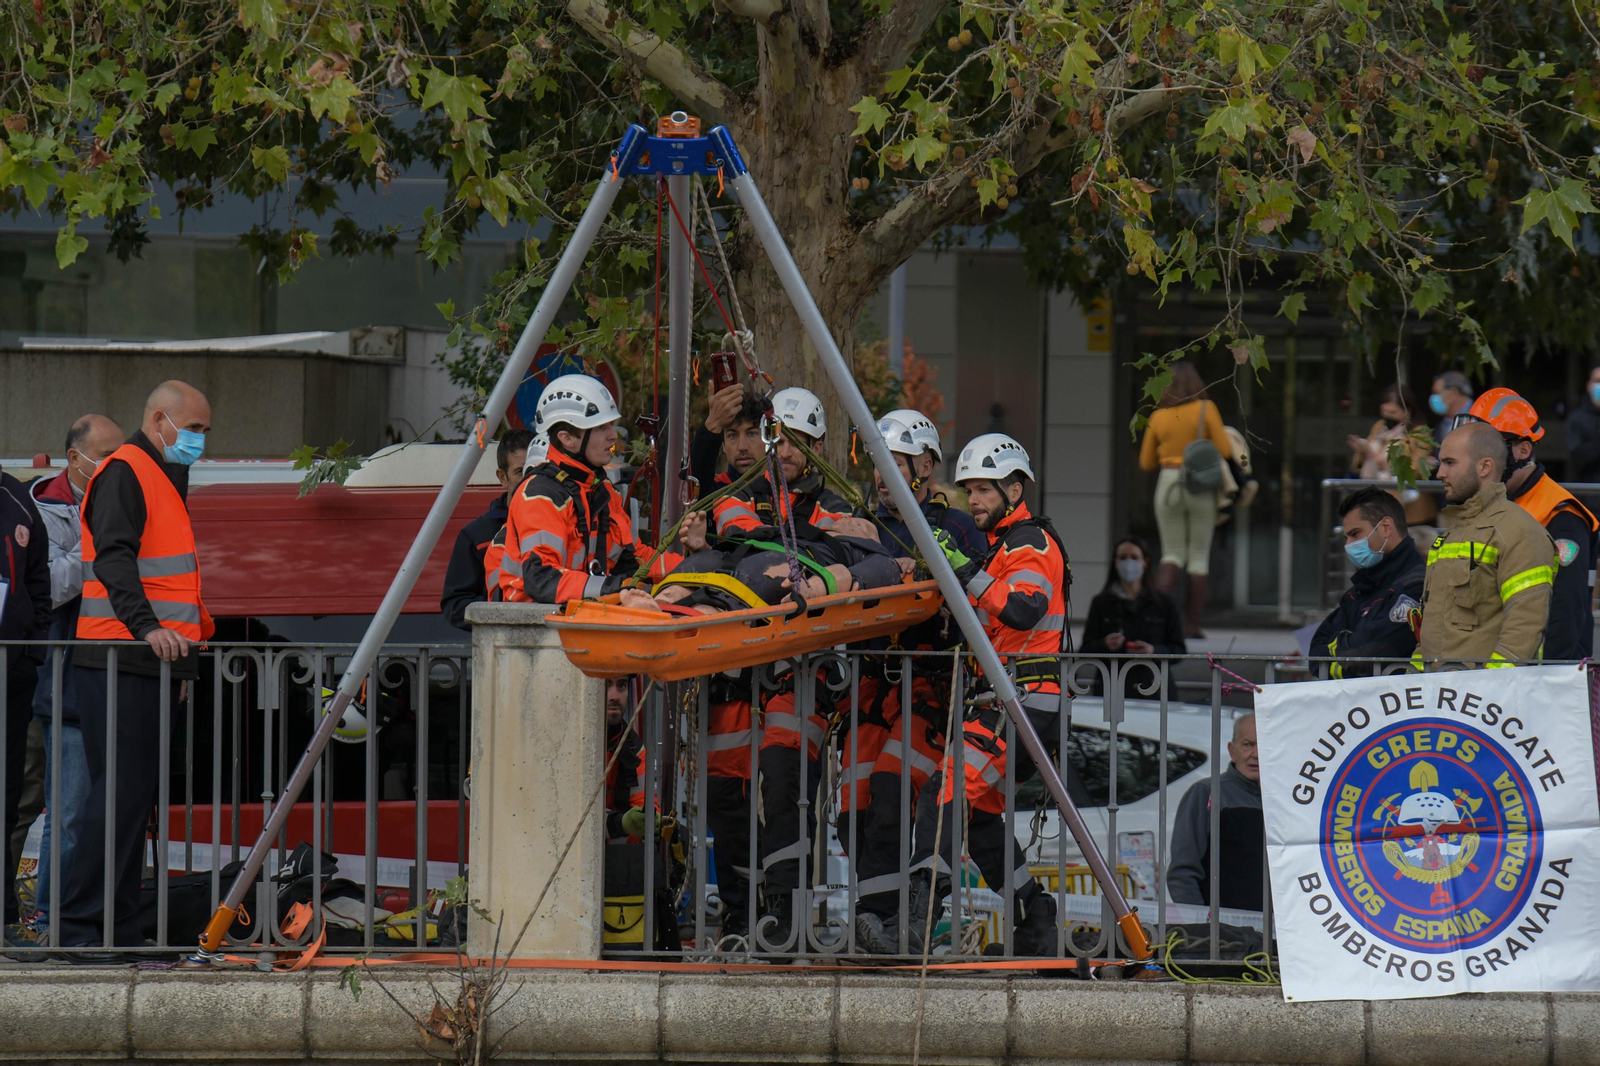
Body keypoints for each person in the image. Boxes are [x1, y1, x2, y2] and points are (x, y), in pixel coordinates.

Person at [58, 381, 215, 960]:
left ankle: (115, 932)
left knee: (129, 802)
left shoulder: (157, 474)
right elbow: (116, 559)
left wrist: (175, 663)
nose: (200, 440)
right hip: (123, 657)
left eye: (204, 431)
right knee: (119, 799)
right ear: (159, 419)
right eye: (194, 428)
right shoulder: (128, 472)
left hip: (143, 663)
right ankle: (82, 930)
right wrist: (149, 630)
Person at [907, 433, 1072, 957]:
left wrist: (966, 570)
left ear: (1014, 488)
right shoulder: (1004, 545)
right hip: (1010, 697)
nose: (973, 500)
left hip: (1022, 697)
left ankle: (916, 922)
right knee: (977, 819)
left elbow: (1023, 609)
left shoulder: (1029, 542)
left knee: (942, 796)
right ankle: (1035, 919)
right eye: (969, 490)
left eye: (984, 490)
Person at [704, 385, 855, 947]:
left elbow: (854, 560)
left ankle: (786, 922)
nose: (784, 451)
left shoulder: (837, 504)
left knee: (789, 796)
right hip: (735, 676)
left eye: (797, 443)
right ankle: (744, 919)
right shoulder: (738, 497)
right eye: (778, 440)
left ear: (816, 447)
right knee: (728, 802)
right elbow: (740, 540)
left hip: (801, 674)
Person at [848, 410, 980, 954]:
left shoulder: (953, 528)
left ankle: (911, 920)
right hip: (871, 688)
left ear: (925, 465)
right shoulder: (857, 522)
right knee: (858, 806)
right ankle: (878, 918)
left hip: (930, 684)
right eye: (878, 463)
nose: (883, 474)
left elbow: (967, 588)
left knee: (893, 789)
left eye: (895, 462)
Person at [19, 415, 124, 944]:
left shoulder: (120, 503)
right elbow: (50, 588)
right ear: (74, 458)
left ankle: (74, 919)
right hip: (61, 688)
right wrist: (99, 551)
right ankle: (48, 921)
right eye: (102, 457)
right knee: (66, 813)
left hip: (116, 680)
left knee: (89, 812)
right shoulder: (38, 511)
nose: (111, 467)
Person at [496, 375, 689, 604]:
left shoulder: (600, 489)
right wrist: (621, 587)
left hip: (580, 615)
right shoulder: (540, 496)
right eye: (600, 427)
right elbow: (543, 580)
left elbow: (636, 559)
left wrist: (697, 568)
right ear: (567, 438)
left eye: (609, 424)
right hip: (534, 626)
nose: (613, 435)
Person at [1466, 388, 1598, 660]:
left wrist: (1542, 679)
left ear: (1522, 450)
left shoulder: (1561, 516)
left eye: (1489, 448)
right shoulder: (1491, 504)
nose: (1478, 460)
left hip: (1540, 678)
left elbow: (1564, 613)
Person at [1415, 422, 1554, 669]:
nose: (1439, 474)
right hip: (1435, 699)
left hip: (1483, 701)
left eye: (1450, 463)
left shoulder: (1519, 532)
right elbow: (1430, 627)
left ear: (1484, 467)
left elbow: (1524, 629)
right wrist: (1412, 676)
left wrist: (1489, 691)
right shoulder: (1452, 533)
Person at [1138, 360, 1232, 638]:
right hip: (1200, 483)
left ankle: (1158, 623)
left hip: (1168, 483)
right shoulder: (1206, 409)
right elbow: (1225, 450)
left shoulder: (1158, 417)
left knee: (1171, 553)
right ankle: (1191, 625)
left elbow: (1145, 462)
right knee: (1198, 556)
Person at [0, 466, 50, 949]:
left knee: (7, 797)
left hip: (10, 679)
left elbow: (38, 581)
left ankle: (2, 918)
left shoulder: (16, 498)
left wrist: (30, 651)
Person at [1310, 489, 1424, 677]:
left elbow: (1368, 656)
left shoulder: (1416, 586)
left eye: (1355, 534)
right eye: (1347, 537)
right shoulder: (1360, 590)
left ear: (1386, 527)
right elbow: (1315, 651)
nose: (1349, 545)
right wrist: (1349, 649)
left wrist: (1337, 648)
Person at [440, 429, 536, 629]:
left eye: (536, 470)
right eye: (521, 472)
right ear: (502, 477)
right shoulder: (476, 535)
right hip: (497, 650)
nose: (530, 480)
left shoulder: (565, 522)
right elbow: (455, 604)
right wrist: (498, 615)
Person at [1167, 714, 1263, 910]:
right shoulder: (1207, 793)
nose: (1256, 754)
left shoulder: (1289, 798)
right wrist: (1202, 928)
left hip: (1281, 933)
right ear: (1232, 750)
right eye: (1248, 744)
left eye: (1263, 744)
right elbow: (1182, 874)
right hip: (1226, 935)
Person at [1078, 536, 1186, 700]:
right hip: (1112, 693)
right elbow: (1085, 650)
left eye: (1134, 557)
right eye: (1122, 557)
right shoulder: (1102, 603)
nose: (1128, 563)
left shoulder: (1164, 603)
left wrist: (1154, 651)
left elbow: (1179, 650)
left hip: (1155, 692)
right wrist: (1105, 645)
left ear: (1146, 562)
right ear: (1115, 562)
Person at [1345, 382, 1437, 534]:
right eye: (1384, 412)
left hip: (1411, 510)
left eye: (1393, 412)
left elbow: (1416, 470)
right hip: (1379, 507)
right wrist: (1363, 451)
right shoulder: (1380, 427)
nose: (1388, 417)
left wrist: (1380, 460)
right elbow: (1359, 465)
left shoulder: (1420, 433)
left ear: (1408, 410)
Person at [1565, 365, 1600, 484]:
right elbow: (1577, 459)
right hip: (1589, 494)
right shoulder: (1577, 418)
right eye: (1598, 381)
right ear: (1589, 386)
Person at [1428, 371, 1474, 446]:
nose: (1433, 398)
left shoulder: (1481, 416)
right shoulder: (1440, 426)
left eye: (1436, 392)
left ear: (1453, 393)